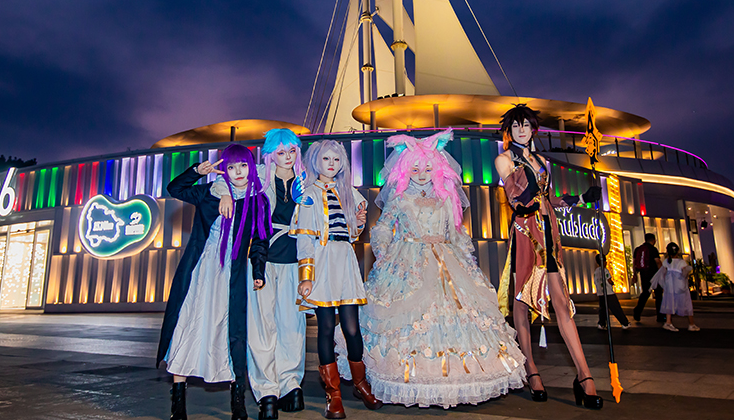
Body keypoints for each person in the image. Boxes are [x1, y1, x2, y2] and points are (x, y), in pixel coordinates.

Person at [353, 129, 525, 408]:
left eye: (427, 168)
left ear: (437, 168)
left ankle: (456, 379)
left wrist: (467, 258)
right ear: (405, 169)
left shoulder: (446, 197)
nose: (422, 174)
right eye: (415, 168)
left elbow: (455, 232)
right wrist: (383, 250)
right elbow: (383, 227)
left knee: (459, 316)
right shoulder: (400, 198)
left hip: (447, 261)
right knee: (407, 318)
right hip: (408, 261)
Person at [494, 104, 603, 410]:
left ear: (533, 129)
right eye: (516, 126)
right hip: (525, 232)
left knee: (561, 302)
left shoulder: (543, 161)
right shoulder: (505, 159)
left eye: (526, 125)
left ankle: (584, 375)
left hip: (550, 233)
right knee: (522, 299)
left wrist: (581, 197)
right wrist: (532, 202)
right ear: (509, 131)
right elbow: (517, 198)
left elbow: (550, 199)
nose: (521, 130)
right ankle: (531, 369)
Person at [156, 145, 271, 420]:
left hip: (232, 275)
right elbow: (175, 189)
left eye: (242, 165)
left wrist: (258, 271)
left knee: (230, 332)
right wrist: (197, 171)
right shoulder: (211, 192)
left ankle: (238, 404)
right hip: (199, 272)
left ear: (251, 166)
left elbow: (260, 240)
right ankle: (178, 405)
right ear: (224, 170)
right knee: (187, 325)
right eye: (231, 167)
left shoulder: (259, 200)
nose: (238, 172)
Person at [214, 129, 307, 414]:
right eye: (281, 152)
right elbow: (227, 178)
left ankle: (291, 386)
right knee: (261, 327)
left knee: (293, 326)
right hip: (261, 259)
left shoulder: (306, 179)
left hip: (297, 258)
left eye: (292, 151)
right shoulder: (260, 176)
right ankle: (267, 391)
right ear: (270, 154)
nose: (288, 157)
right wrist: (223, 193)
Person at [291, 139, 380, 418]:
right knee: (326, 328)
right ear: (315, 161)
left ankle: (360, 384)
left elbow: (350, 234)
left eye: (337, 159)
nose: (332, 164)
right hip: (322, 262)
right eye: (326, 159)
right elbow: (304, 238)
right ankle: (333, 393)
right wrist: (306, 276)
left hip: (345, 261)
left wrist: (359, 223)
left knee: (352, 328)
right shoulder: (308, 195)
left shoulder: (348, 192)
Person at [651, 243, 700, 332]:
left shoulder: (666, 262)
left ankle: (668, 322)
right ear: (678, 251)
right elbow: (685, 274)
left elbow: (662, 274)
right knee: (687, 303)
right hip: (680, 286)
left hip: (669, 286)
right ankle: (691, 324)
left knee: (669, 302)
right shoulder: (681, 262)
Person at [631, 233, 665, 324]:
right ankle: (660, 315)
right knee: (658, 294)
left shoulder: (638, 249)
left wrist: (635, 274)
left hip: (644, 274)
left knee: (645, 293)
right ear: (653, 240)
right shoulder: (653, 249)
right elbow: (657, 262)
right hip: (654, 274)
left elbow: (634, 263)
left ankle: (638, 310)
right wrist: (662, 273)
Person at [594, 255, 630, 330]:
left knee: (603, 309)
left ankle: (601, 323)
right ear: (603, 261)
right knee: (616, 308)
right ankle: (624, 323)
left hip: (600, 293)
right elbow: (609, 280)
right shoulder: (605, 270)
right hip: (609, 293)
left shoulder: (596, 271)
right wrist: (613, 283)